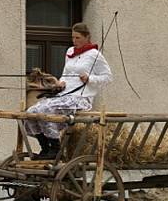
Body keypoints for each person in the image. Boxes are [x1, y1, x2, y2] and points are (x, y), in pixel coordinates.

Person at [25, 22, 113, 159]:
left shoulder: (94, 54)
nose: (74, 41)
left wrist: (90, 78)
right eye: (73, 38)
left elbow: (107, 77)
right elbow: (66, 73)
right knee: (31, 112)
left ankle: (55, 149)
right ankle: (45, 148)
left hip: (80, 98)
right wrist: (60, 82)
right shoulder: (70, 51)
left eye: (78, 38)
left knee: (45, 111)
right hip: (64, 94)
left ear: (87, 37)